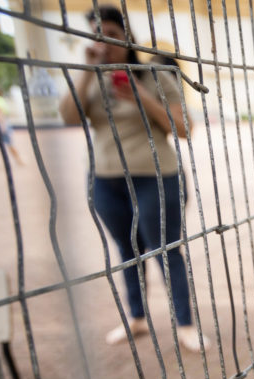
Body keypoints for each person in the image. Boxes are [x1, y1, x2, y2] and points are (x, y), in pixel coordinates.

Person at [58, 5, 207, 351]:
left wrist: (140, 96)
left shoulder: (155, 76)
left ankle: (185, 324)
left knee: (166, 250)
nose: (104, 42)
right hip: (105, 180)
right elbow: (68, 117)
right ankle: (137, 318)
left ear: (127, 37)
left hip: (156, 177)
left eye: (111, 34)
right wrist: (87, 72)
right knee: (127, 251)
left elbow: (183, 129)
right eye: (97, 35)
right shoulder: (90, 79)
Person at [0, 82, 25, 166]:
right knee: (10, 143)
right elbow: (0, 113)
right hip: (1, 124)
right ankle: (19, 160)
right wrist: (2, 125)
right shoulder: (0, 99)